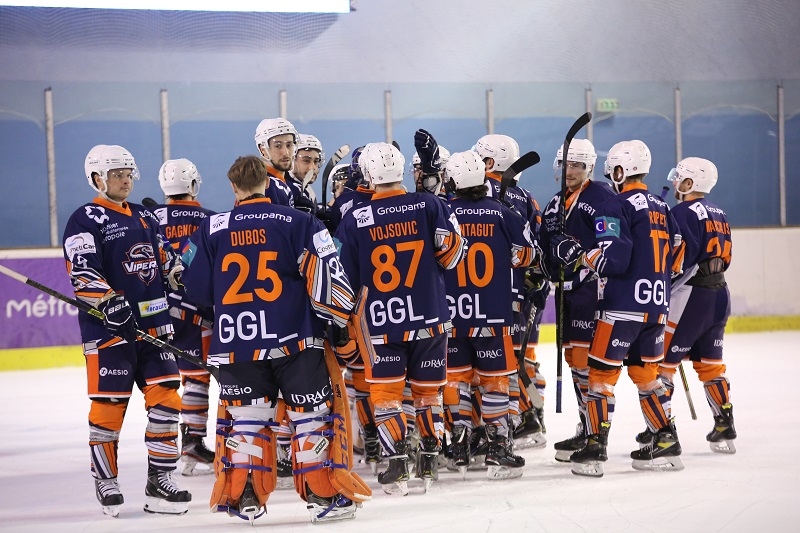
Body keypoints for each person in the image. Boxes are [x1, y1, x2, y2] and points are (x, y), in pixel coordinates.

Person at [181, 155, 369, 523]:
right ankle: (322, 496)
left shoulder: (211, 228)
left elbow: (196, 288)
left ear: (234, 187)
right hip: (295, 341)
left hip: (236, 345)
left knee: (249, 423)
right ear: (266, 183)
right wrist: (341, 328)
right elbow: (333, 286)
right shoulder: (300, 222)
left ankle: (245, 496)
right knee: (310, 420)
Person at [62, 144, 191, 516]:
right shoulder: (84, 219)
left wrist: (178, 274)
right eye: (117, 173)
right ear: (97, 178)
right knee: (109, 406)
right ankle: (106, 480)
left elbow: (165, 256)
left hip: (154, 328)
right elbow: (82, 267)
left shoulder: (144, 216)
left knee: (167, 399)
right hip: (110, 333)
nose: (124, 180)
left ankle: (161, 478)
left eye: (128, 173)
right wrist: (105, 300)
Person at [336, 142, 466, 495]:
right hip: (431, 318)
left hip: (382, 324)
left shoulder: (355, 219)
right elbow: (453, 254)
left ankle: (395, 462)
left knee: (388, 394)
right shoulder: (430, 204)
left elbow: (343, 279)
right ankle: (427, 458)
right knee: (427, 394)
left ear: (367, 174)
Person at [550, 140, 683, 477]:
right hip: (656, 306)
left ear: (619, 170)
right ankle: (665, 439)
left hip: (621, 307)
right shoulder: (663, 208)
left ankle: (594, 445)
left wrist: (581, 254)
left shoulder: (614, 202)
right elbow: (679, 256)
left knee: (600, 376)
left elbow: (613, 258)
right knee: (644, 374)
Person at [441, 150, 534, 480]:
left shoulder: (444, 212)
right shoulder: (502, 212)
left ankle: (462, 442)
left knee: (457, 380)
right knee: (496, 382)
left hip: (452, 317)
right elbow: (526, 255)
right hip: (493, 317)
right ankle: (498, 447)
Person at [538, 139, 614, 461]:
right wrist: (554, 248)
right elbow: (546, 241)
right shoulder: (556, 203)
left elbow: (610, 243)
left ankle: (597, 434)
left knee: (587, 364)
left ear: (589, 168)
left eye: (577, 166)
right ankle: (586, 426)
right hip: (566, 293)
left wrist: (582, 255)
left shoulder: (602, 196)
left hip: (591, 292)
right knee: (574, 361)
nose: (570, 171)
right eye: (567, 165)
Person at [654, 157, 737, 453]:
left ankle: (660, 431)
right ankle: (724, 423)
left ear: (692, 182)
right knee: (710, 364)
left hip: (691, 296)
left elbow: (677, 259)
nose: (676, 181)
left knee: (661, 366)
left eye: (681, 177)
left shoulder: (683, 211)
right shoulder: (720, 212)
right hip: (719, 293)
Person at [473, 133, 548, 449]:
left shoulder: (477, 193)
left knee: (491, 366)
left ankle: (515, 420)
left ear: (489, 162)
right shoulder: (528, 197)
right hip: (525, 289)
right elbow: (539, 243)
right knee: (522, 356)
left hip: (491, 294)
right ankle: (530, 418)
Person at [151, 158, 217, 476]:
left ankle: (162, 447)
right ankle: (192, 442)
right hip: (195, 310)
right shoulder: (209, 219)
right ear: (193, 185)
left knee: (162, 381)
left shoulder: (147, 217)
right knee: (197, 377)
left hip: (156, 310)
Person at [255, 117, 297, 207]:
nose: (285, 152)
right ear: (263, 150)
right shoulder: (264, 184)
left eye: (289, 145)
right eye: (278, 146)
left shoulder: (281, 182)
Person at [288, 133, 324, 214]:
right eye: (306, 161)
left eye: (316, 161)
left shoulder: (307, 189)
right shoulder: (286, 188)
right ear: (292, 161)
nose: (312, 167)